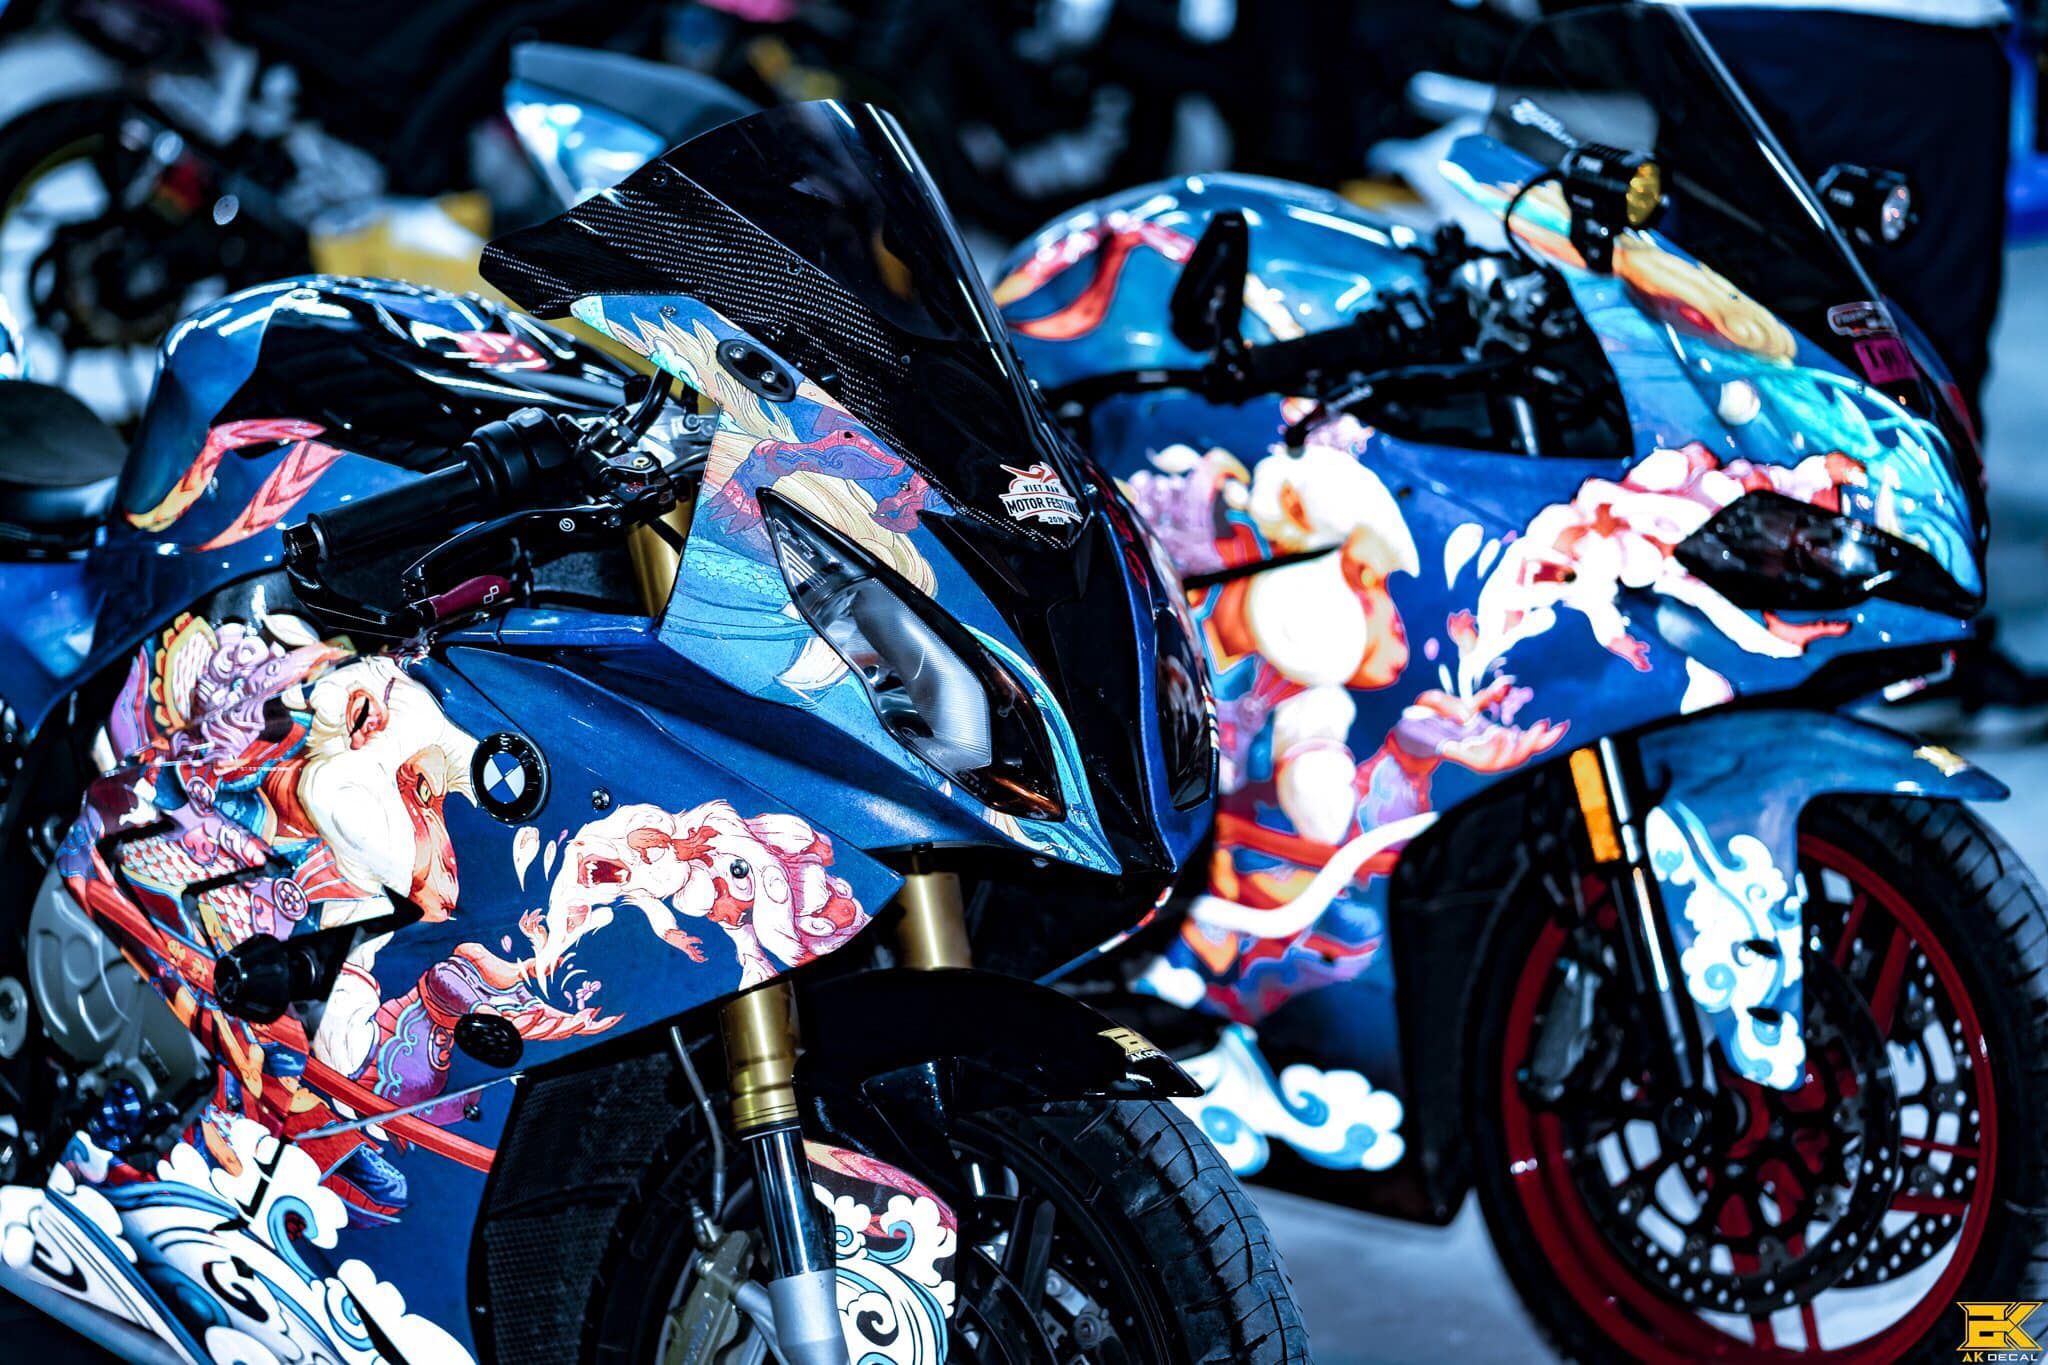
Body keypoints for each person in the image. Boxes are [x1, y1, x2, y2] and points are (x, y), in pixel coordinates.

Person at [1689, 0, 2048, 741]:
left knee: (1734, 334)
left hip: (1713, 30)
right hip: (1898, 35)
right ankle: (1905, 659)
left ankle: (1755, 640)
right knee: (1907, 361)